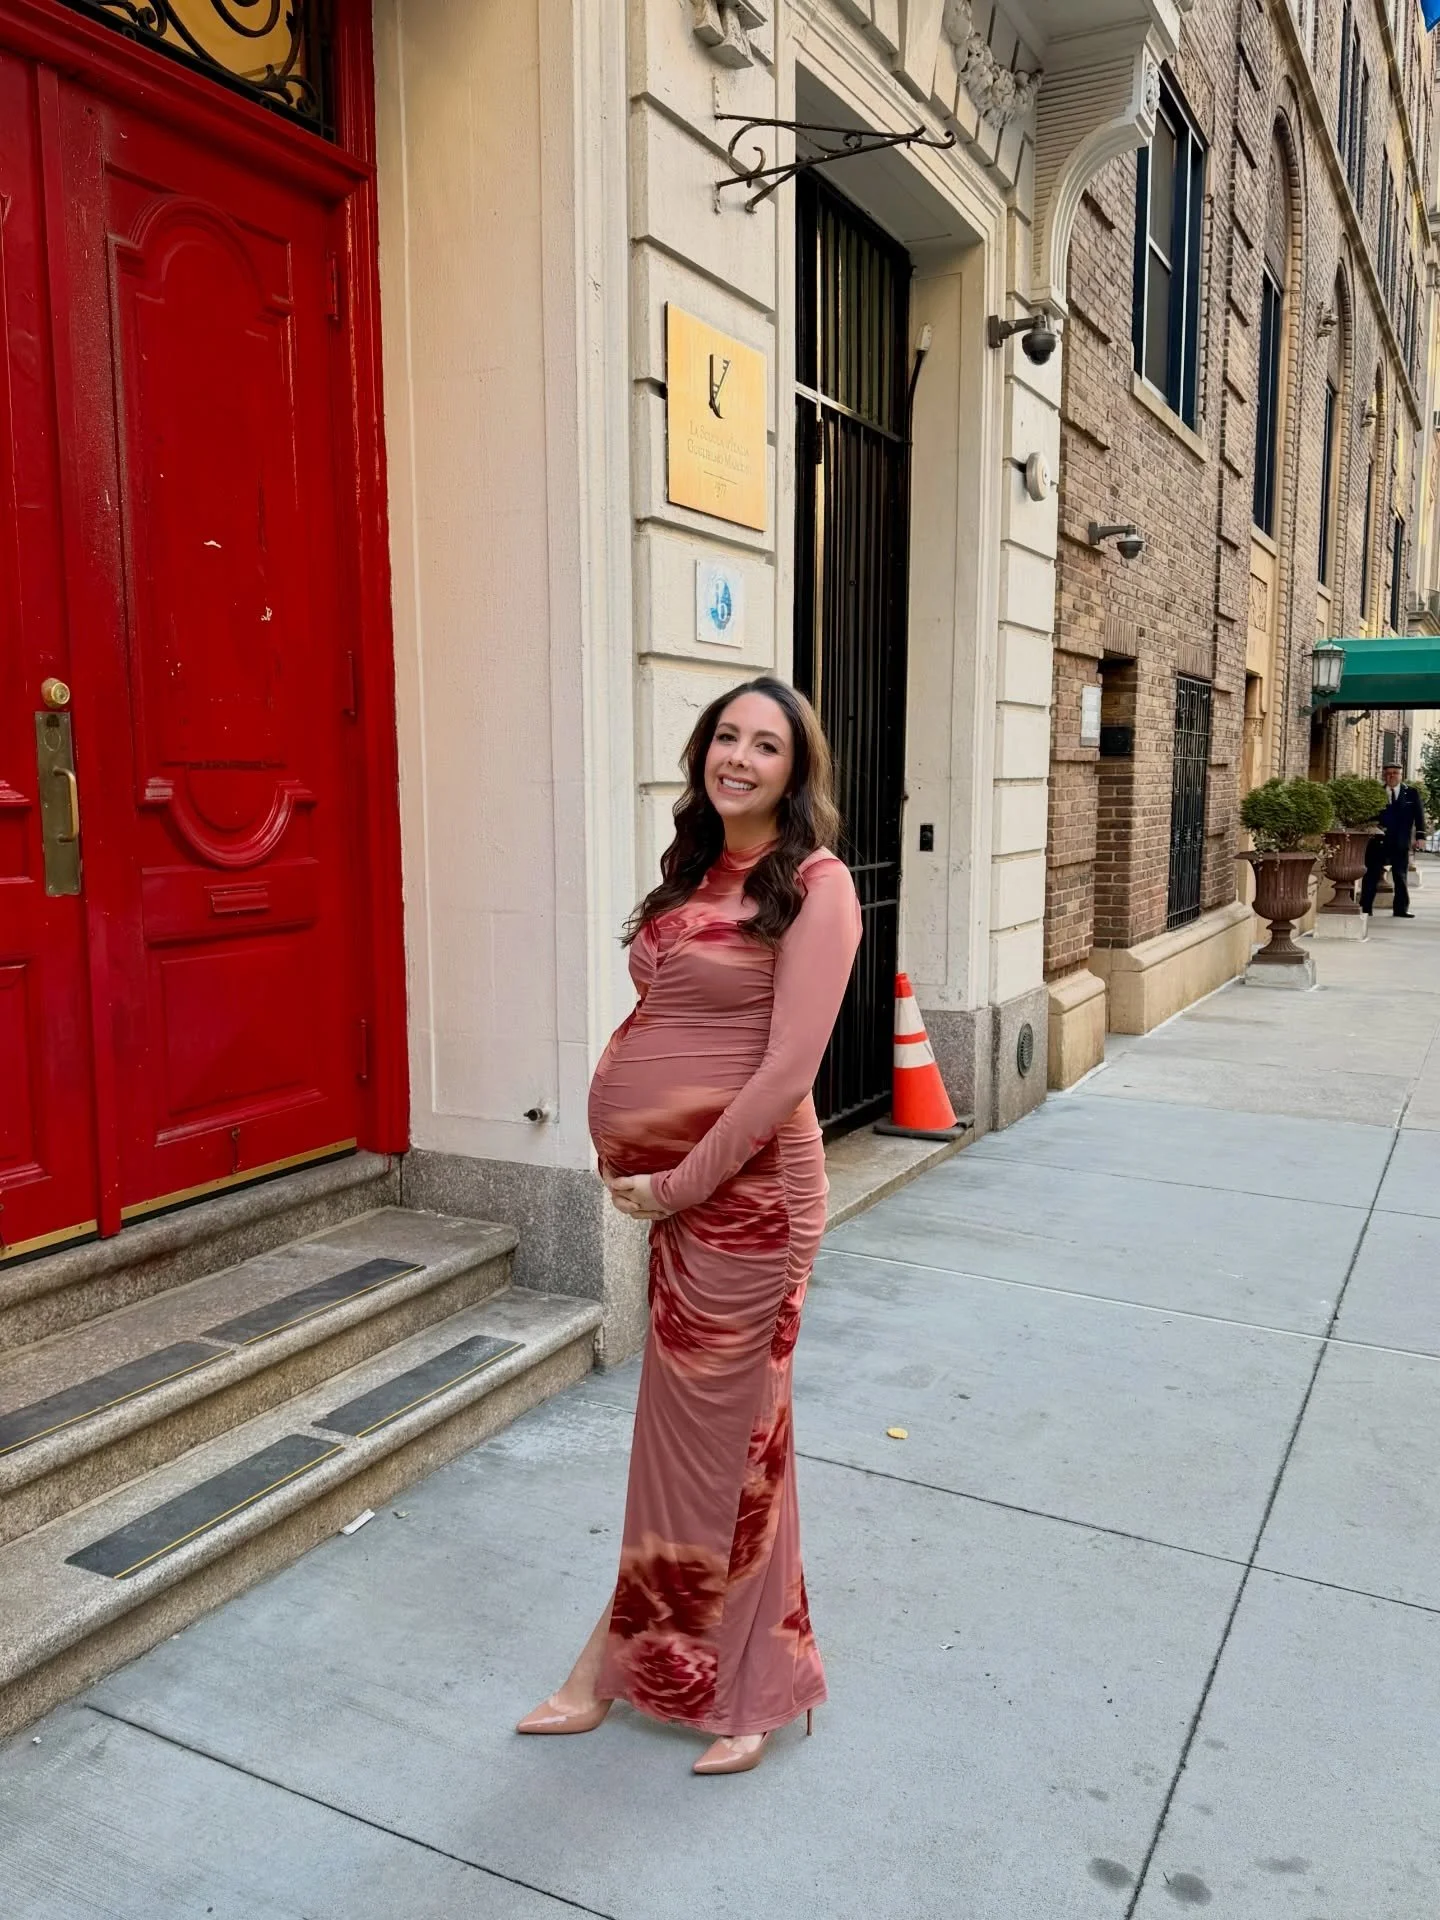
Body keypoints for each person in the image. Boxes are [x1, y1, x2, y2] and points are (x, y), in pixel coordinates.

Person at [516, 676, 862, 1776]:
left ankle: (723, 1685)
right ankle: (669, 1667)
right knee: (699, 1445)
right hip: (690, 1210)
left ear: (796, 772)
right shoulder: (696, 871)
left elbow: (785, 1075)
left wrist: (675, 1185)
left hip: (753, 1206)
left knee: (733, 1451)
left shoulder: (815, 884)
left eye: (767, 745)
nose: (741, 758)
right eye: (727, 736)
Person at [1360, 760, 1427, 918]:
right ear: (1384, 775)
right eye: (1388, 773)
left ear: (1400, 775)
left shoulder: (1411, 793)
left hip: (1400, 841)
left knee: (1400, 876)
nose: (1392, 776)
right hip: (1378, 842)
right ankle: (1366, 908)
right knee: (1371, 875)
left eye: (1395, 773)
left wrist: (1421, 836)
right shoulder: (1376, 792)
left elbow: (1419, 816)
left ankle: (1401, 909)